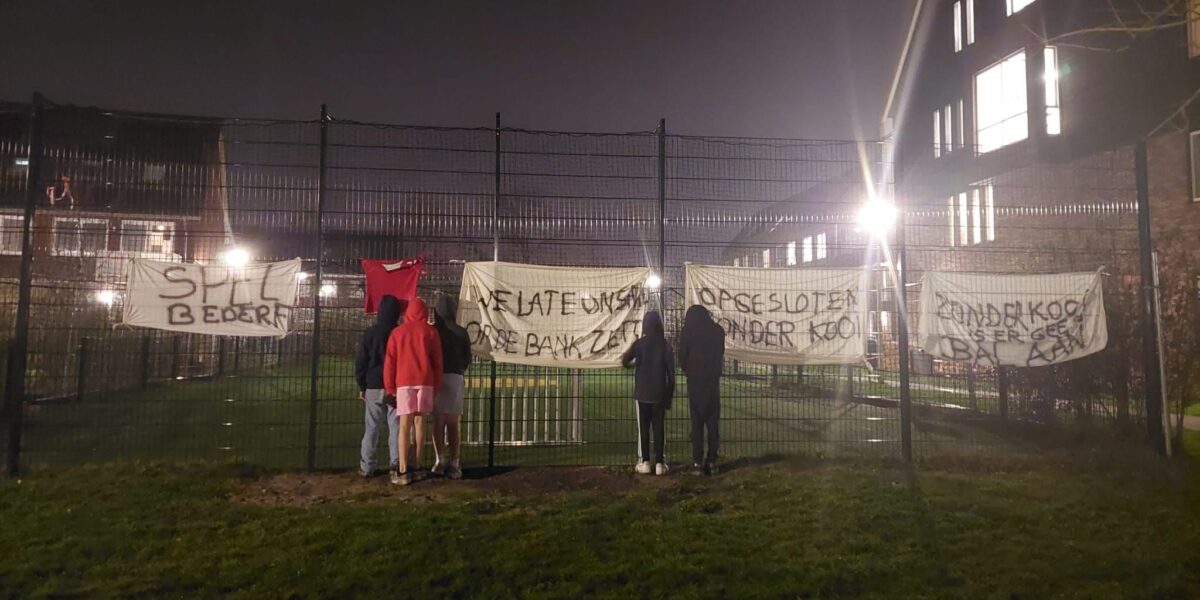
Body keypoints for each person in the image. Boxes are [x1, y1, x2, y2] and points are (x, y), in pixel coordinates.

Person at [383, 296, 443, 486]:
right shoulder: (431, 332)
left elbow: (390, 362)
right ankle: (417, 466)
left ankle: (402, 469)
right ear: (425, 312)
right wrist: (436, 385)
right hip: (425, 381)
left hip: (404, 382)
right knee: (420, 424)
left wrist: (390, 387)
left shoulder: (397, 333)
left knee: (404, 426)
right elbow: (438, 362)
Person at [353, 294, 403, 478]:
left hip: (373, 385)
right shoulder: (399, 333)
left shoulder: (370, 334)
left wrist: (362, 385)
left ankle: (367, 466)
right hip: (395, 386)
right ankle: (396, 464)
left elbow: (361, 362)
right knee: (395, 426)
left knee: (372, 427)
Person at [621, 310, 675, 476]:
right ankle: (659, 463)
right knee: (659, 429)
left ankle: (644, 462)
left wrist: (634, 365)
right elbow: (671, 376)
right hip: (659, 393)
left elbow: (625, 360)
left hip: (642, 393)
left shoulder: (640, 344)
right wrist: (668, 397)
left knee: (643, 428)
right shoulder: (666, 345)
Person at [679, 304, 725, 476]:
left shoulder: (688, 331)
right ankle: (712, 461)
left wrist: (688, 368)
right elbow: (720, 352)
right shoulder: (718, 331)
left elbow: (682, 356)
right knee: (713, 424)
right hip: (712, 382)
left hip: (696, 382)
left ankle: (697, 462)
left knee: (697, 423)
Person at [432, 295, 471, 480]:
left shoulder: (433, 331)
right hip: (455, 375)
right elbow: (467, 357)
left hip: (436, 376)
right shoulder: (462, 332)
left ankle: (439, 460)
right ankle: (455, 463)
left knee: (438, 420)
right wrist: (459, 369)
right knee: (453, 422)